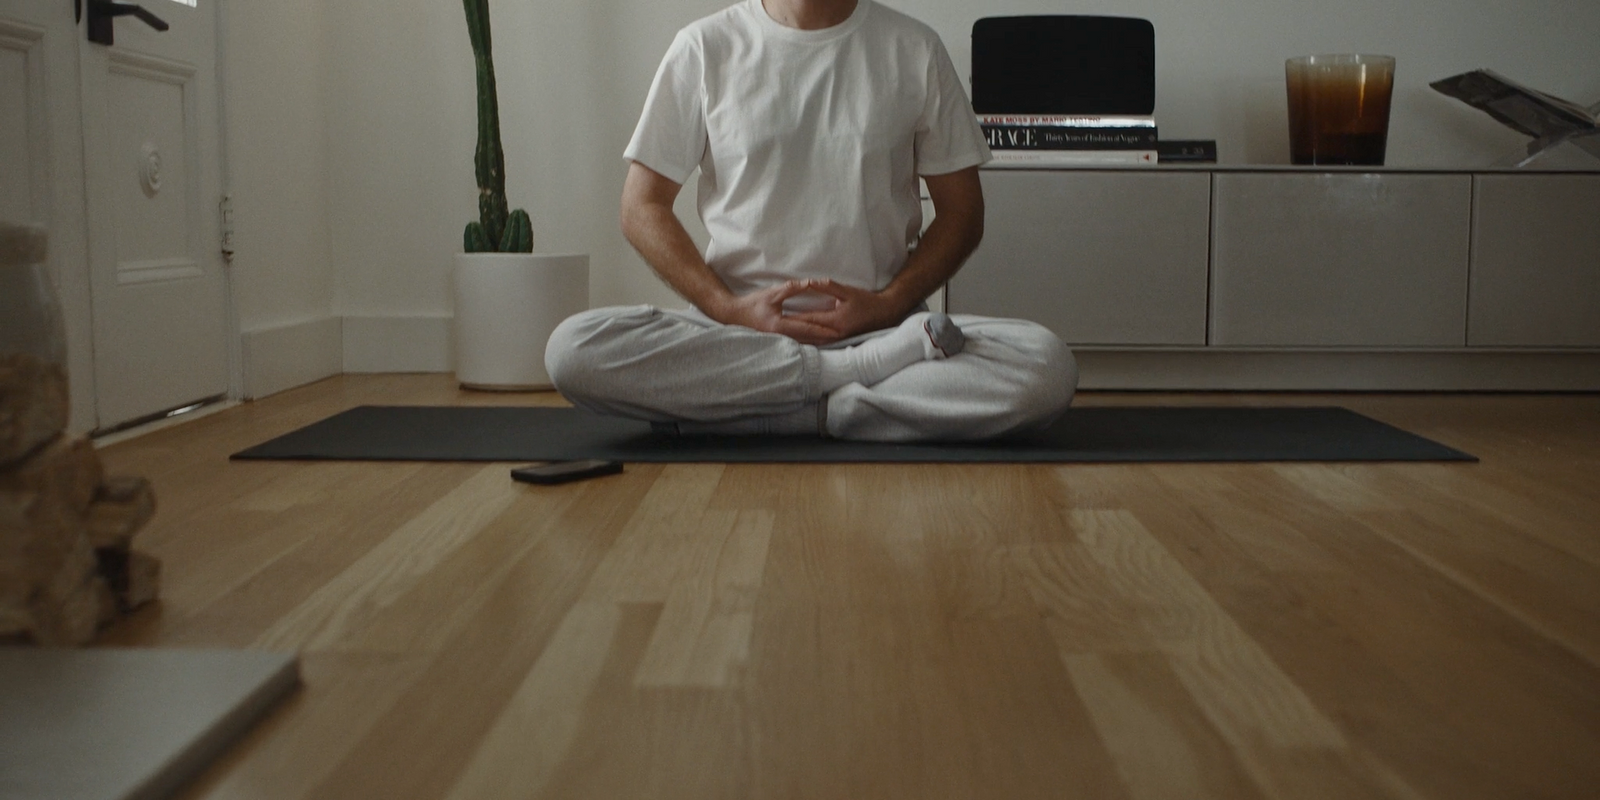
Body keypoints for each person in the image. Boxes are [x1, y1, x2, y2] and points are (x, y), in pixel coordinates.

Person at [545, 0, 1076, 441]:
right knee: (572, 351)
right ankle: (843, 397)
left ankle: (758, 409)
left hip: (884, 335)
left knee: (1046, 368)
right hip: (733, 338)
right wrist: (728, 308)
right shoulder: (704, 47)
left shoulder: (915, 48)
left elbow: (963, 213)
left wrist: (887, 305)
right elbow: (641, 208)